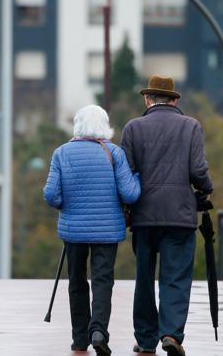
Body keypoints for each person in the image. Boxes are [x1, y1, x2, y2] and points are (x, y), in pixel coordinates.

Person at [121, 75, 213, 356]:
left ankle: (146, 339)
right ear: (174, 100)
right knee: (176, 276)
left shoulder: (133, 128)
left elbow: (125, 174)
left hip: (144, 215)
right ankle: (171, 334)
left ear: (148, 100)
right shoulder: (191, 126)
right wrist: (205, 189)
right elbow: (198, 171)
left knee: (145, 277)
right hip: (179, 214)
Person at [43, 105, 141, 355]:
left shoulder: (61, 153)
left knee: (76, 281)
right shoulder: (114, 153)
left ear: (77, 125)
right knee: (102, 280)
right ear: (105, 126)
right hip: (107, 231)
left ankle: (79, 339)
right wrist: (138, 177)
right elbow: (130, 193)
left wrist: (70, 204)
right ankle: (98, 331)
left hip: (73, 230)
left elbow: (51, 195)